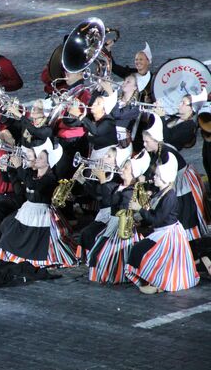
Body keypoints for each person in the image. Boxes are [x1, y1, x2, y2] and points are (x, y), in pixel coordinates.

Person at [0, 138, 78, 268]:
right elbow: (19, 190)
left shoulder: (50, 179)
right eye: (38, 157)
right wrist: (9, 170)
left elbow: (33, 185)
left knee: (38, 242)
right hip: (27, 210)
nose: (37, 160)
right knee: (7, 227)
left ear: (48, 163)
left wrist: (18, 166)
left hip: (41, 215)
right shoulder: (32, 174)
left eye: (41, 158)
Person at [125, 152, 200, 293]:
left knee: (142, 250)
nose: (154, 177)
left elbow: (156, 219)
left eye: (157, 176)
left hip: (167, 234)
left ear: (165, 178)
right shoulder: (162, 192)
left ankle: (155, 282)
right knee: (144, 252)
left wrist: (140, 209)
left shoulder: (169, 197)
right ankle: (152, 281)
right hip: (162, 231)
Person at [87, 150, 150, 284]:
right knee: (97, 251)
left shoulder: (131, 191)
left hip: (121, 226)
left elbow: (115, 204)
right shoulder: (118, 186)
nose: (122, 169)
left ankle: (116, 275)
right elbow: (104, 199)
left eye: (126, 168)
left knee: (107, 255)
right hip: (112, 223)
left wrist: (103, 180)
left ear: (134, 173)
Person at [143, 116, 208, 241]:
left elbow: (165, 178)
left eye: (147, 141)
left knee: (183, 213)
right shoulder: (159, 150)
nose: (144, 144)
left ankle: (188, 242)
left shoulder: (166, 153)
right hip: (175, 181)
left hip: (181, 183)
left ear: (156, 140)